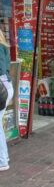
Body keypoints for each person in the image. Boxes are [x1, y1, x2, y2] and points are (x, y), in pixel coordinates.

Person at [0, 30, 14, 171]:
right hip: (6, 87)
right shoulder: (3, 46)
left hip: (1, 88)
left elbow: (0, 69)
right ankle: (4, 157)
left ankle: (2, 161)